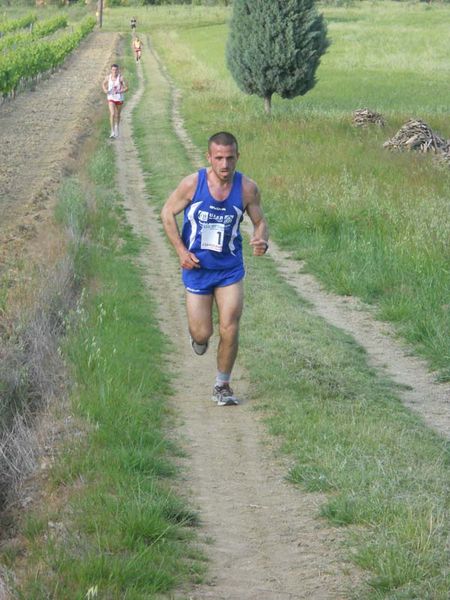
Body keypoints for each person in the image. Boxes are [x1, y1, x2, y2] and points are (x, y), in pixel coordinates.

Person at [161, 132, 269, 406]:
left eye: (230, 158)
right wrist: (181, 251)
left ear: (237, 157)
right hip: (197, 268)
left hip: (229, 270)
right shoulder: (191, 184)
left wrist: (261, 238)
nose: (224, 164)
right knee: (202, 333)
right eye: (218, 158)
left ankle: (222, 385)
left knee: (230, 326)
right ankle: (198, 339)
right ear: (208, 157)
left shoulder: (247, 188)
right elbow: (167, 213)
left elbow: (259, 221)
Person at [102, 64, 128, 139]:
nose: (114, 71)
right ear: (111, 70)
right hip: (111, 98)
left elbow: (127, 88)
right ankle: (112, 131)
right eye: (113, 70)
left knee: (117, 115)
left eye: (116, 70)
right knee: (112, 114)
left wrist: (121, 90)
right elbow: (103, 84)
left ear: (118, 70)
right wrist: (105, 90)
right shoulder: (108, 77)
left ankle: (117, 128)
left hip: (119, 98)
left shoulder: (121, 78)